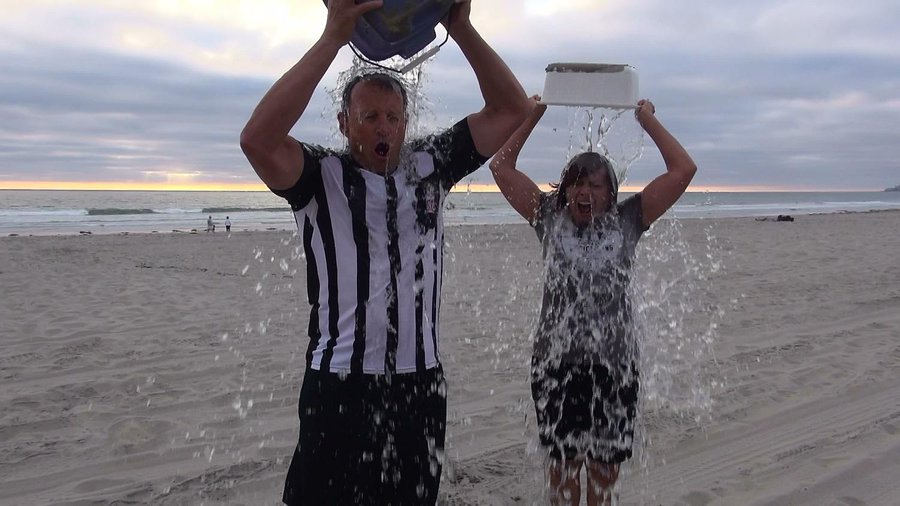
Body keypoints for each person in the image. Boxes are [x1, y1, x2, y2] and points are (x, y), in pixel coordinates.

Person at [239, 1, 529, 504]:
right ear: (345, 122)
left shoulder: (430, 167)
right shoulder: (318, 176)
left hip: (419, 387)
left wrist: (460, 26)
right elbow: (258, 139)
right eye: (369, 116)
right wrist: (333, 37)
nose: (384, 128)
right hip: (338, 386)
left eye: (394, 117)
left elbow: (512, 111)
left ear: (406, 122)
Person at [489, 96, 697, 505]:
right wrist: (533, 115)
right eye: (576, 183)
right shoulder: (548, 216)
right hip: (556, 365)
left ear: (610, 191)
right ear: (566, 189)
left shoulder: (629, 219)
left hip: (615, 367)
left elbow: (683, 169)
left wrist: (645, 119)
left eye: (594, 184)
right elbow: (500, 167)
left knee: (604, 474)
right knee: (563, 471)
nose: (584, 192)